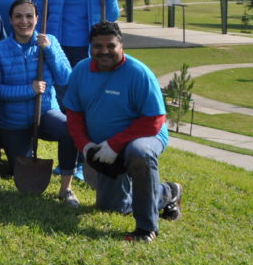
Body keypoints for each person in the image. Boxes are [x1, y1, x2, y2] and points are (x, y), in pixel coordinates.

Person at [62, 21, 183, 242]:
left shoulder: (138, 73)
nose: (104, 51)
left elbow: (155, 120)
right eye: (98, 46)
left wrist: (116, 144)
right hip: (104, 146)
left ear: (121, 45)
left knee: (139, 153)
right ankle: (167, 192)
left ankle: (147, 229)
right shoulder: (81, 70)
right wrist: (86, 146)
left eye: (111, 45)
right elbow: (74, 115)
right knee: (113, 207)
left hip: (144, 137)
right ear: (90, 46)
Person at [0, 0, 79, 206]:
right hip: (14, 120)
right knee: (16, 170)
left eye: (29, 16)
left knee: (69, 129)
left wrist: (48, 51)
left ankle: (66, 188)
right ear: (10, 20)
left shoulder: (50, 42)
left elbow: (66, 78)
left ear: (37, 19)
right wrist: (29, 90)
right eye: (18, 16)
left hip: (46, 112)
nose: (24, 21)